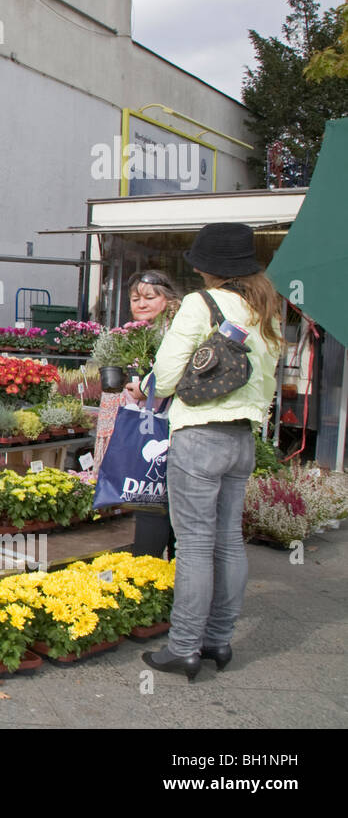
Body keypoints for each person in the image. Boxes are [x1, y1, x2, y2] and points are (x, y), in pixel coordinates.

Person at [133, 224, 282, 680]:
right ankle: (218, 641)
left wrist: (144, 390)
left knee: (195, 544)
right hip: (242, 439)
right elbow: (268, 382)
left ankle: (183, 648)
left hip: (199, 437)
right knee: (228, 540)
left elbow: (168, 372)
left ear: (204, 266)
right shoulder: (263, 309)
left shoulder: (202, 304)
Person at [92, 269, 181, 558]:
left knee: (157, 504)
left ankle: (154, 572)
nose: (141, 304)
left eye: (149, 297)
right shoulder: (136, 335)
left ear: (167, 299)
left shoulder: (173, 334)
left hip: (168, 428)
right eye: (135, 298)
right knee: (154, 501)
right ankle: (158, 573)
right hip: (150, 427)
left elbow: (166, 379)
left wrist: (141, 387)